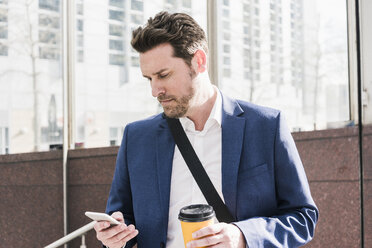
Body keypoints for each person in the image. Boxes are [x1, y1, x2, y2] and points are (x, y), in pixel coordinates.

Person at [93, 11, 318, 248]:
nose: (155, 90)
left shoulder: (266, 127)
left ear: (198, 61)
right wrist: (114, 238)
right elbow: (122, 219)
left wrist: (243, 236)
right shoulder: (137, 138)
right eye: (149, 79)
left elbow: (303, 217)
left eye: (164, 75)